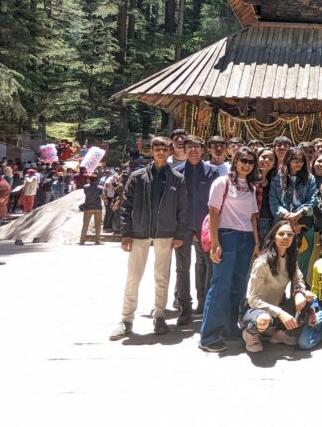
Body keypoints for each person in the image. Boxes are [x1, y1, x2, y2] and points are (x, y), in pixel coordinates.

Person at [109, 137, 189, 341]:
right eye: (157, 149)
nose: (161, 152)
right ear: (151, 151)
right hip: (139, 232)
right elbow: (126, 206)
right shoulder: (137, 177)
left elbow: (182, 209)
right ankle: (126, 319)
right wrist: (126, 233)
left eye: (165, 149)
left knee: (162, 277)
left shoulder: (177, 178)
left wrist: (179, 234)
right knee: (133, 276)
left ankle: (160, 316)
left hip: (166, 232)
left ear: (170, 152)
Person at [199, 148, 262, 349]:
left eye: (250, 162)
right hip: (227, 236)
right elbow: (213, 212)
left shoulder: (251, 187)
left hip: (246, 238)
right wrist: (215, 243)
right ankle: (208, 336)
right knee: (220, 285)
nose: (246, 164)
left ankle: (229, 327)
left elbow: (252, 217)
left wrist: (256, 243)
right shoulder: (222, 182)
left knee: (238, 286)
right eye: (243, 160)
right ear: (235, 161)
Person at [239, 221, 308, 354]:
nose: (285, 237)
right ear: (273, 237)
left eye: (289, 234)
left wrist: (299, 292)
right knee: (264, 319)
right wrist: (280, 313)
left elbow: (298, 279)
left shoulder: (291, 258)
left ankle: (276, 332)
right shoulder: (261, 262)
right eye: (281, 234)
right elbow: (253, 300)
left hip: (277, 307)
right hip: (257, 310)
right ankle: (250, 333)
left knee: (307, 297)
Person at [178, 135, 221, 320]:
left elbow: (217, 201)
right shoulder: (178, 172)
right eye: (189, 146)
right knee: (182, 267)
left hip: (206, 226)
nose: (193, 150)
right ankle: (184, 305)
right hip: (183, 225)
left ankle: (205, 302)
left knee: (209, 265)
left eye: (197, 146)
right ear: (184, 150)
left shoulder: (212, 172)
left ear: (203, 150)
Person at [269, 146, 318, 281]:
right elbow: (273, 201)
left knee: (302, 260)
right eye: (295, 159)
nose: (299, 163)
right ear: (288, 160)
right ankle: (282, 290)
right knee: (282, 258)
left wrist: (299, 214)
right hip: (283, 224)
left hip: (304, 224)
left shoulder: (309, 178)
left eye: (301, 160)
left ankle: (298, 288)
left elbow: (313, 199)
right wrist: (287, 215)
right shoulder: (277, 178)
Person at [78, 174, 105, 245]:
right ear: (97, 179)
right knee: (98, 224)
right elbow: (103, 196)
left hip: (88, 207)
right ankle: (97, 240)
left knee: (85, 224)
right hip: (98, 207)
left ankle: (82, 240)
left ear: (89, 179)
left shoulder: (85, 187)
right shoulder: (100, 188)